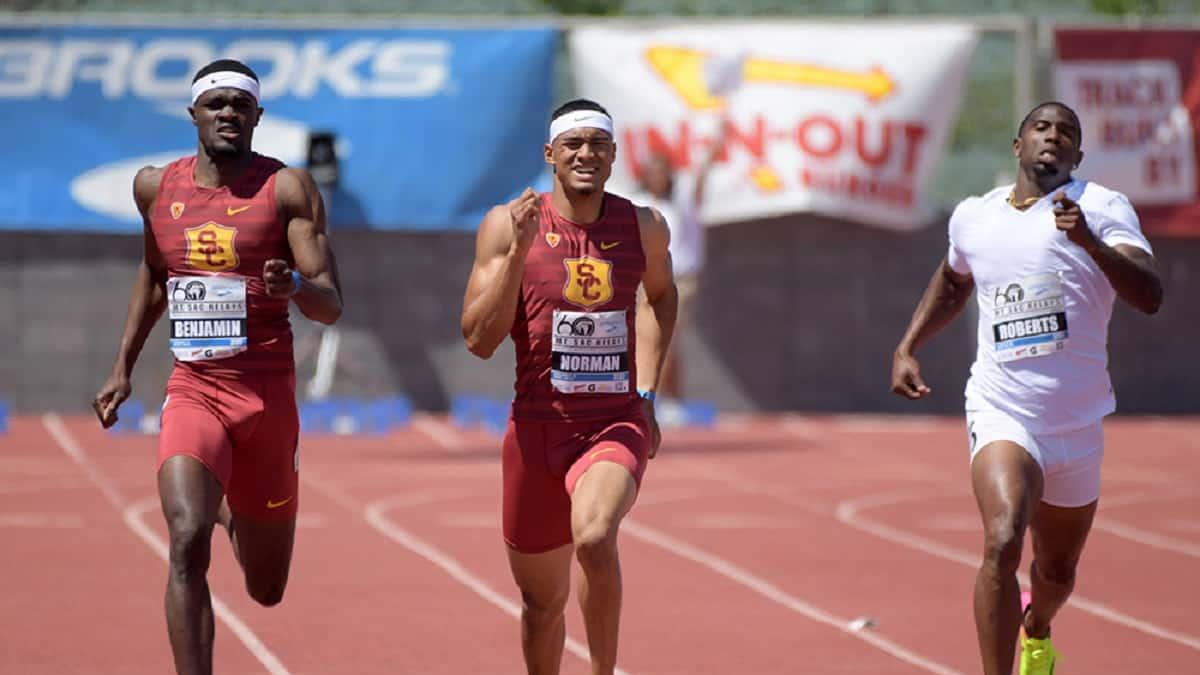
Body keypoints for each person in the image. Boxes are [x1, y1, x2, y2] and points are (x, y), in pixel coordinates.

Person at [891, 101, 1162, 675]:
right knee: (1002, 537)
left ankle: (1037, 628)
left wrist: (1089, 242)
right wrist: (908, 345)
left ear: (1078, 156)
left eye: (1066, 133)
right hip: (1002, 410)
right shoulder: (974, 217)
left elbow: (1149, 295)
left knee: (1057, 574)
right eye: (1041, 128)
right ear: (1018, 146)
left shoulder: (1103, 207)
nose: (1053, 138)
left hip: (1077, 422)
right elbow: (952, 280)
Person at [91, 59, 343, 675]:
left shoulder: (287, 189)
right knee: (184, 540)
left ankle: (230, 494)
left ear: (257, 116)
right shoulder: (156, 187)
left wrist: (294, 290)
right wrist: (121, 366)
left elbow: (331, 304)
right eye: (216, 103)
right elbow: (154, 275)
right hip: (195, 390)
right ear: (194, 114)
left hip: (265, 399)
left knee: (266, 586)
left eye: (240, 105)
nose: (228, 113)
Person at [460, 98, 677, 675]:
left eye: (598, 144)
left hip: (613, 422)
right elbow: (479, 340)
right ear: (550, 155)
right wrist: (519, 254)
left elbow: (659, 297)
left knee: (595, 535)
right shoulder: (507, 224)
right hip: (535, 431)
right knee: (540, 605)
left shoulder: (645, 226)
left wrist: (649, 394)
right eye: (574, 144)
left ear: (613, 156)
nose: (586, 154)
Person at [627, 128, 722, 410]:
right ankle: (670, 399)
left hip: (680, 280)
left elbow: (701, 177)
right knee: (653, 341)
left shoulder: (684, 201)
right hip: (644, 281)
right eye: (652, 172)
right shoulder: (638, 205)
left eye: (662, 171)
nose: (657, 177)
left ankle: (654, 400)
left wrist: (715, 145)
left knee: (664, 340)